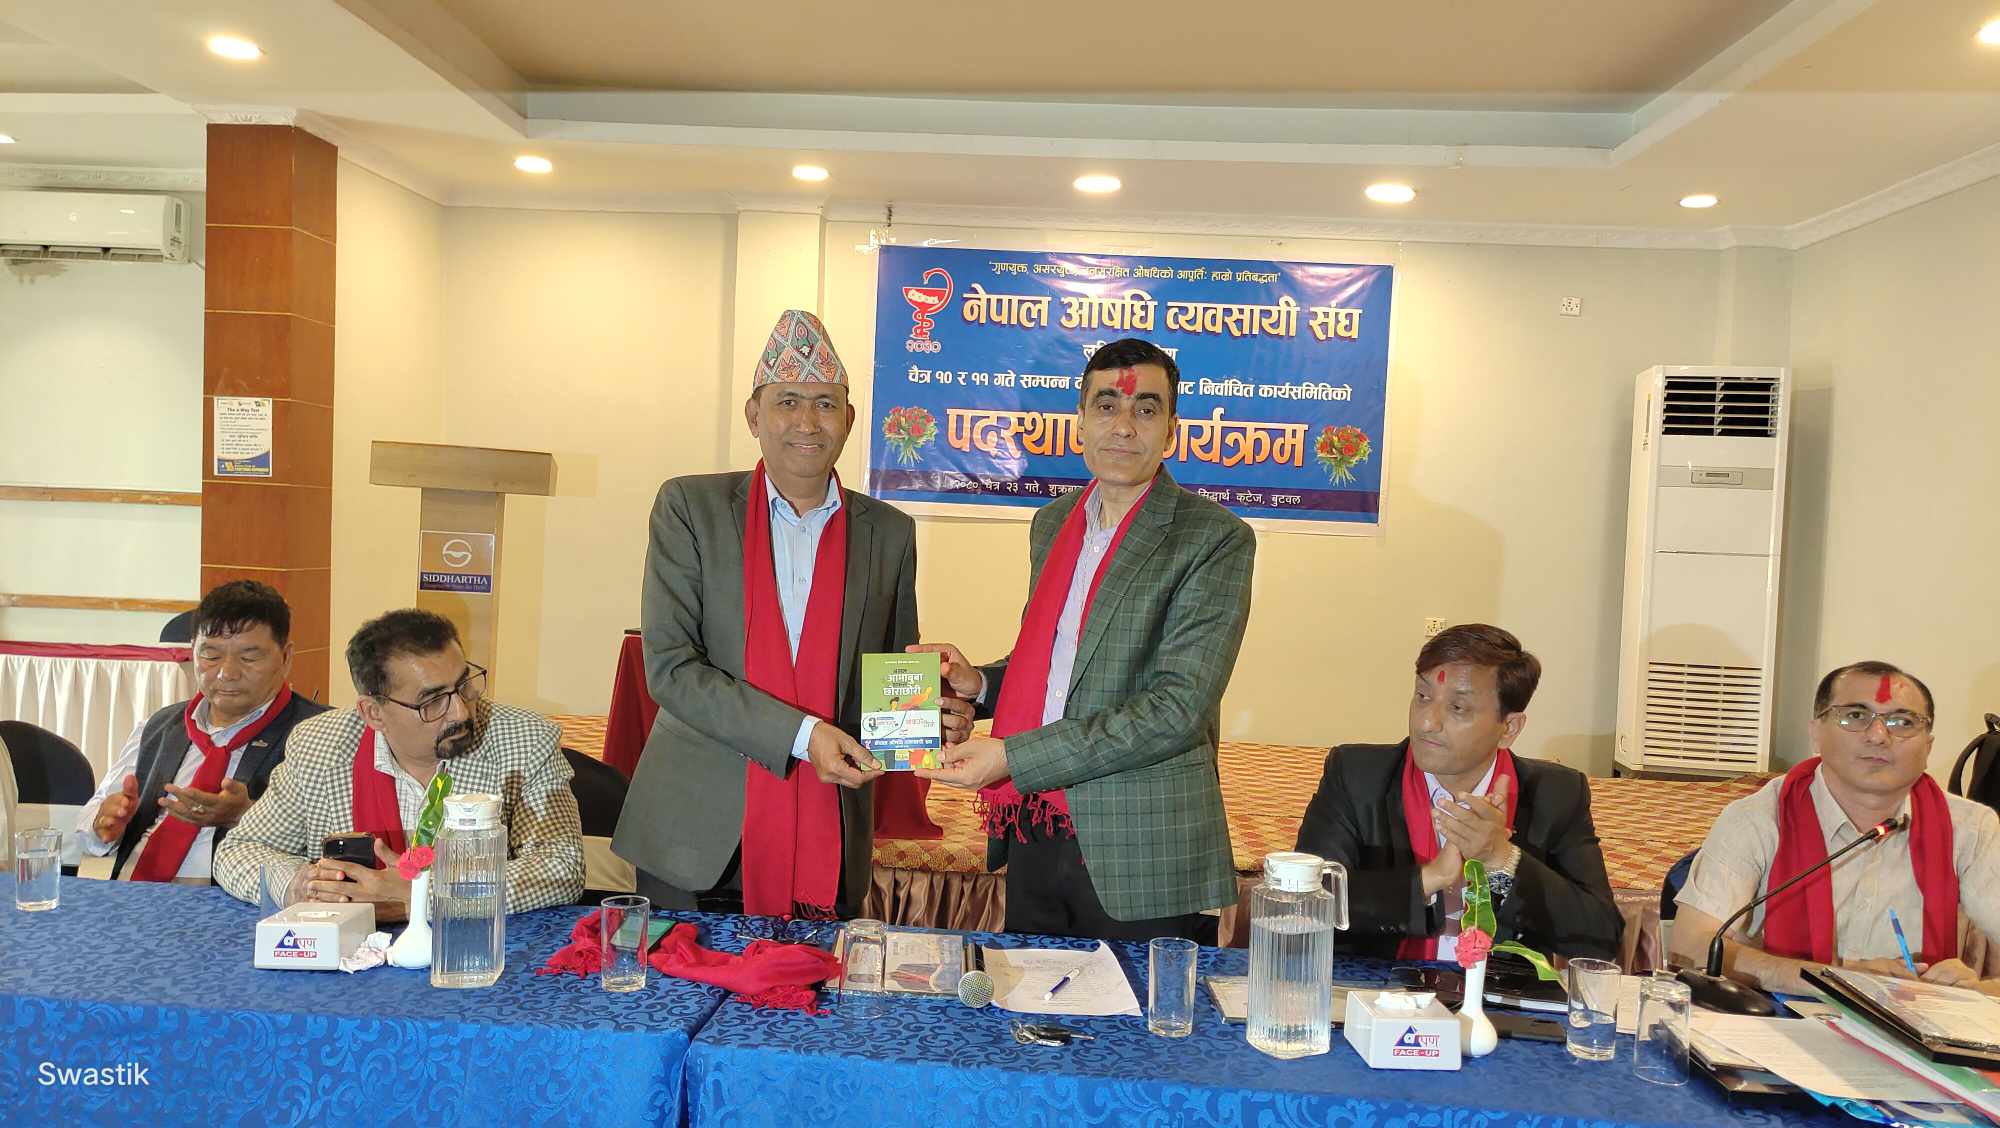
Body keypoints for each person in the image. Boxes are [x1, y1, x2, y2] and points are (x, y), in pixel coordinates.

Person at [611, 309, 972, 919]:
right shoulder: (690, 507)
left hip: (828, 825)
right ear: (754, 416)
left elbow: (891, 677)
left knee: (812, 981)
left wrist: (927, 728)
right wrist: (804, 737)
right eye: (787, 402)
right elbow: (671, 670)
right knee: (680, 979)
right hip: (696, 830)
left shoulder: (889, 532)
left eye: (826, 404)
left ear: (848, 420)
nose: (807, 422)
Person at [916, 337, 1254, 943]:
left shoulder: (1213, 538)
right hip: (1035, 827)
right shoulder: (1054, 522)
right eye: (1106, 406)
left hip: (1139, 843)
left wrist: (1012, 758)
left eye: (1146, 409)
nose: (1123, 426)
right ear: (1080, 421)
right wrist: (980, 683)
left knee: (1140, 1007)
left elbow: (1177, 710)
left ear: (1172, 431)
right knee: (1034, 997)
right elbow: (1058, 664)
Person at [213, 609, 583, 918]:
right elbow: (238, 851)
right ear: (373, 713)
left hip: (469, 952)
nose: (460, 711)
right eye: (432, 701)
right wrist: (298, 884)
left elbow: (562, 867)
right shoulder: (319, 745)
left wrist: (426, 897)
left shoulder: (523, 740)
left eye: (464, 685)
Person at [1294, 624, 1623, 960]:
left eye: (1458, 708)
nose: (1426, 723)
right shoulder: (1357, 776)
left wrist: (1501, 858)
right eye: (1423, 697)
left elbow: (1599, 938)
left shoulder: (1555, 794)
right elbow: (1304, 904)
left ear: (1509, 728)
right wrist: (1430, 878)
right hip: (1382, 985)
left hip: (1497, 991)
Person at [1673, 661, 2000, 994]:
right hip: (1772, 1015)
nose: (1878, 736)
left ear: (1927, 747)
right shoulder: (1756, 818)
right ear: (1815, 732)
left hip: (1917, 1018)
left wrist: (1969, 995)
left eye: (1902, 722)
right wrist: (1839, 981)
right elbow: (1691, 946)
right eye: (1855, 716)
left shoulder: (1971, 829)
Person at [75, 581, 327, 883]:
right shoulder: (159, 727)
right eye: (211, 655)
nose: (227, 673)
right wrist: (104, 824)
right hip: (133, 892)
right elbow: (91, 825)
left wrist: (247, 816)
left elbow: (336, 843)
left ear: (285, 658)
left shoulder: (321, 735)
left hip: (237, 900)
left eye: (249, 657)